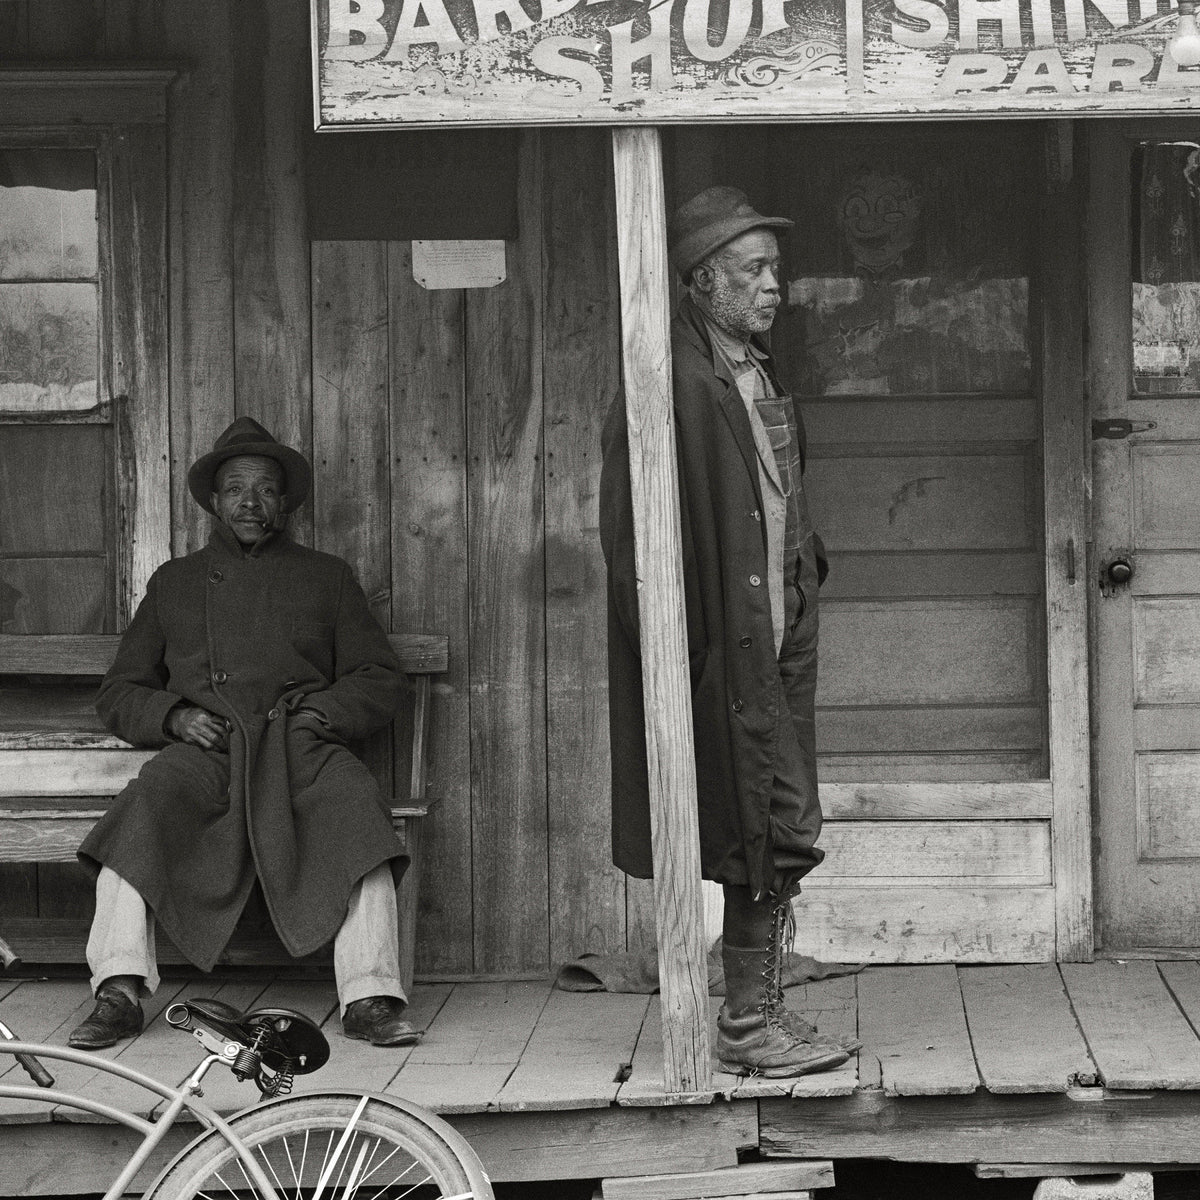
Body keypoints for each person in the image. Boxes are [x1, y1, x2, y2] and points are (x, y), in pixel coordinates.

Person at [599, 187, 859, 1077]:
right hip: (724, 646)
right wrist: (686, 651)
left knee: (778, 818)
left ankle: (760, 1007)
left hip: (778, 633)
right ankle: (748, 1025)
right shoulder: (667, 380)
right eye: (754, 271)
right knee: (753, 818)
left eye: (775, 269)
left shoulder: (750, 365)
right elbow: (633, 538)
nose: (773, 286)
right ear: (702, 282)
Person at [68, 417, 416, 1050]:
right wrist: (174, 717)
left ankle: (369, 994)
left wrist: (320, 715)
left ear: (283, 503)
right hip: (210, 752)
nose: (250, 503)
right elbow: (119, 691)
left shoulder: (326, 577)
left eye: (264, 489)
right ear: (215, 501)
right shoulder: (173, 583)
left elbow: (379, 678)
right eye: (235, 489)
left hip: (298, 750)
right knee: (141, 808)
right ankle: (116, 990)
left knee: (357, 809)